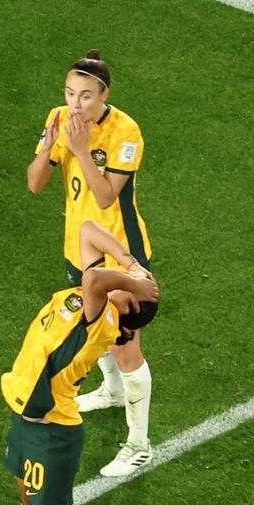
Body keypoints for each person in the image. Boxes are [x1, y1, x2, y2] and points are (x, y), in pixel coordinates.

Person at [1, 220, 159, 505]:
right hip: (25, 416)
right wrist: (132, 264)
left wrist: (135, 279)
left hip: (52, 432)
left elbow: (94, 278)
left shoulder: (101, 315)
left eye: (137, 289)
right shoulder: (104, 299)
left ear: (128, 307)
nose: (137, 278)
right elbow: (89, 230)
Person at [26, 49, 155, 478]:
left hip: (120, 251)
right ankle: (112, 392)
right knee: (89, 322)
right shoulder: (59, 118)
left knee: (125, 346)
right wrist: (49, 143)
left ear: (104, 95)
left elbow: (105, 197)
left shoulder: (126, 130)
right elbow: (35, 183)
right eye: (68, 93)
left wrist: (80, 148)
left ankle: (139, 444)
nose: (74, 103)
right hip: (78, 246)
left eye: (84, 96)